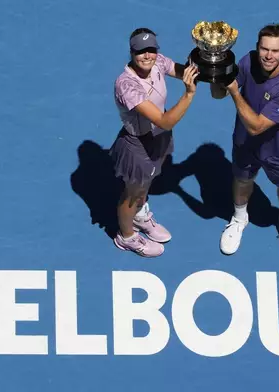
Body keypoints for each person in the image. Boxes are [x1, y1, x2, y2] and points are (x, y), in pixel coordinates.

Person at [211, 23, 279, 258]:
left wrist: (234, 91)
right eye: (264, 49)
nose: (268, 55)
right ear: (257, 47)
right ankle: (239, 217)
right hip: (245, 144)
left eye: (275, 51)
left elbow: (257, 126)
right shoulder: (248, 61)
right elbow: (217, 93)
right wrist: (216, 69)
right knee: (242, 180)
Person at [110, 27, 199, 257]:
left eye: (151, 50)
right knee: (132, 193)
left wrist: (202, 62)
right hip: (137, 145)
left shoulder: (158, 61)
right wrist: (188, 94)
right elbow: (163, 121)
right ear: (131, 52)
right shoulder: (126, 85)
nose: (148, 56)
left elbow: (183, 71)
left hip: (158, 139)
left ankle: (140, 215)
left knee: (147, 182)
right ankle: (126, 236)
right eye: (141, 51)